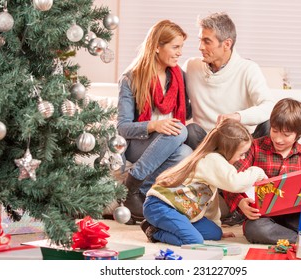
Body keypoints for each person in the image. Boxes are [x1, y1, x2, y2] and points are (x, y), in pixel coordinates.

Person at [140, 119, 268, 246]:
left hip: (181, 211)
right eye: (241, 154)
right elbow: (235, 183)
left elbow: (210, 200)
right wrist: (257, 171)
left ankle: (168, 225)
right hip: (161, 206)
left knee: (215, 233)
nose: (243, 158)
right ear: (228, 149)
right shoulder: (212, 159)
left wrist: (216, 225)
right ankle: (154, 231)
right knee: (194, 240)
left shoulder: (215, 163)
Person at [117, 20, 192, 224]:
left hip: (165, 143)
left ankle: (134, 189)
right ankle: (132, 185)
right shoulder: (131, 78)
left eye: (181, 48)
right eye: (175, 47)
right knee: (181, 132)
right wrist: (153, 125)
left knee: (186, 153)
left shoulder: (178, 76)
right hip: (137, 144)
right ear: (157, 47)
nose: (179, 53)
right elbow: (122, 127)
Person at [222, 98, 301, 244]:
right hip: (261, 217)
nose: (278, 139)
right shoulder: (254, 147)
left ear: (299, 134)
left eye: (286, 135)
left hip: (293, 215)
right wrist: (240, 202)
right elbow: (232, 179)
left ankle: (298, 236)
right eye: (274, 131)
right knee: (255, 229)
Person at [182, 12, 275, 150]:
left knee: (268, 124)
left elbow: (269, 106)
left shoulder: (248, 69)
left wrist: (238, 116)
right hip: (207, 143)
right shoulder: (191, 66)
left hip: (241, 143)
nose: (200, 47)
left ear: (226, 44)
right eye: (200, 40)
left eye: (207, 41)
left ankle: (242, 163)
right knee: (191, 130)